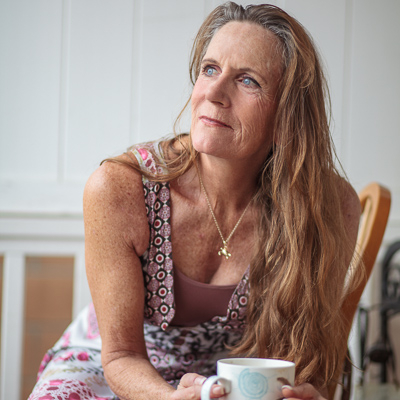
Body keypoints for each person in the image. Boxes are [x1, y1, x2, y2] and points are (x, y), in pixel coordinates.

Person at [28, 2, 361, 400]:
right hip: (114, 365)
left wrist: (307, 393)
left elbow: (307, 362)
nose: (213, 94)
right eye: (210, 69)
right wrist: (169, 398)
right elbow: (120, 355)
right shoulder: (120, 189)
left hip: (233, 379)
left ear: (286, 114)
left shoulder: (328, 207)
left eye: (248, 80)